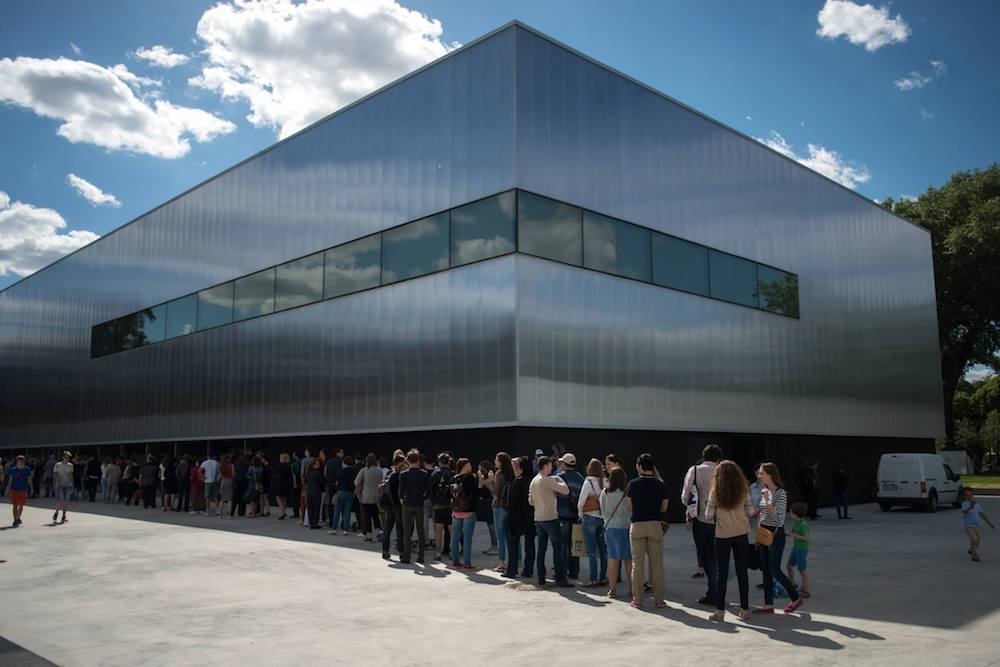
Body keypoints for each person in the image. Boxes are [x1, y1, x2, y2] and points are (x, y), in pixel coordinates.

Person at [705, 460, 756, 622]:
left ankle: (720, 611)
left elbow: (707, 516)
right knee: (742, 572)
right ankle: (745, 609)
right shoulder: (744, 491)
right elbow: (751, 511)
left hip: (722, 535)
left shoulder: (715, 492)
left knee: (722, 573)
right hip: (741, 534)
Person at [755, 462, 804, 614]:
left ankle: (795, 598)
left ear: (770, 474)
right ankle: (768, 604)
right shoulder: (765, 491)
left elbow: (778, 518)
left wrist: (768, 500)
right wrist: (758, 534)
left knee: (774, 569)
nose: (759, 475)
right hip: (764, 533)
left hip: (776, 535)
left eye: (762, 473)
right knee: (765, 570)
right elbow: (762, 514)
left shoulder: (780, 493)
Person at [681, 443, 723, 606]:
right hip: (719, 520)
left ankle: (713, 592)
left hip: (700, 517)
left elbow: (685, 494)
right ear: (718, 458)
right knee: (715, 557)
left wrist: (689, 506)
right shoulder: (722, 471)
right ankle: (716, 591)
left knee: (705, 556)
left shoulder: (695, 470)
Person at [627, 453, 668, 609]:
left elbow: (629, 506)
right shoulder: (661, 485)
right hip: (654, 524)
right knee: (657, 563)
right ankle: (659, 600)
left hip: (637, 524)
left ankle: (638, 600)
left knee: (637, 564)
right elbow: (664, 507)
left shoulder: (633, 484)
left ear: (639, 466)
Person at [529, 455, 572, 588]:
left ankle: (541, 577)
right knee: (557, 548)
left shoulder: (534, 480)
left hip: (538, 518)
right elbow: (566, 490)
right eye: (550, 465)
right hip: (551, 518)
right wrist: (559, 479)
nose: (552, 467)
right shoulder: (548, 480)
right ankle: (560, 577)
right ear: (546, 466)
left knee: (541, 548)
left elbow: (530, 501)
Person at [600, 466, 632, 598]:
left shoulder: (605, 492)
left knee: (613, 560)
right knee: (629, 561)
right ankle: (632, 589)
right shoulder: (627, 493)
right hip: (626, 527)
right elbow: (631, 510)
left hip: (611, 527)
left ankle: (612, 590)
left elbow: (603, 510)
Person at [578, 458, 608, 587]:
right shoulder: (606, 481)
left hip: (589, 517)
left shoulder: (588, 481)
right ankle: (603, 577)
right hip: (603, 518)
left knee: (591, 551)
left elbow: (581, 501)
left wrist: (580, 514)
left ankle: (593, 578)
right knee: (603, 550)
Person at [505, 455, 536, 580]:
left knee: (513, 544)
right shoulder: (533, 481)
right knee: (530, 544)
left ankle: (511, 570)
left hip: (516, 517)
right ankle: (528, 570)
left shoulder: (517, 482)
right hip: (531, 516)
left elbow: (511, 503)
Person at [555, 453, 585, 580]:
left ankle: (563, 570)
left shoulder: (559, 477)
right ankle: (574, 571)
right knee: (575, 546)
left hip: (562, 516)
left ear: (564, 464)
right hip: (576, 517)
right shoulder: (581, 478)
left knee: (563, 545)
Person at [398, 449, 431, 564]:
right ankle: (420, 557)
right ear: (418, 460)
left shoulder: (403, 474)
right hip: (419, 504)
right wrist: (422, 498)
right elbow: (428, 492)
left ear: (407, 461)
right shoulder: (425, 474)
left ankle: (406, 557)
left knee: (407, 532)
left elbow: (400, 491)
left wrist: (403, 500)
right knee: (420, 531)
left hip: (407, 504)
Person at [450, 458, 479, 570]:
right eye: (469, 465)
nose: (471, 467)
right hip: (468, 511)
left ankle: (455, 561)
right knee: (467, 538)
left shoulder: (453, 478)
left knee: (455, 537)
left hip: (456, 511)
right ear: (465, 466)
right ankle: (467, 563)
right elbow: (476, 492)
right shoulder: (470, 478)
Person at [493, 452, 516, 574]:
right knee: (510, 535)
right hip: (508, 507)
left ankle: (502, 563)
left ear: (501, 462)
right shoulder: (512, 473)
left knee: (500, 537)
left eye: (496, 460)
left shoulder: (499, 474)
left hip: (499, 506)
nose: (495, 462)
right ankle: (516, 560)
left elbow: (496, 492)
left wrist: (490, 482)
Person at [429, 453, 454, 560]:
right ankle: (453, 552)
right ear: (448, 462)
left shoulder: (435, 474)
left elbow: (430, 490)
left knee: (438, 530)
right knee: (451, 530)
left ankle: (438, 552)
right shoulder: (452, 474)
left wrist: (434, 502)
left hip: (438, 506)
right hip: (450, 506)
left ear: (439, 462)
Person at [381, 454, 406, 559]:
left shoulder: (389, 475)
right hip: (398, 506)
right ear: (399, 464)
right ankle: (401, 552)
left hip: (389, 506)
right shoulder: (399, 476)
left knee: (387, 529)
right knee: (400, 530)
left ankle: (385, 551)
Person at [355, 453, 384, 542]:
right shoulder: (380, 470)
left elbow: (356, 482)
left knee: (367, 516)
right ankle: (379, 530)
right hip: (377, 496)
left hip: (366, 496)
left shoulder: (364, 470)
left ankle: (369, 535)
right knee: (376, 515)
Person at [785, 502, 811, 598]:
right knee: (789, 566)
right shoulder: (796, 522)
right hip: (795, 549)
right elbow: (793, 531)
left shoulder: (804, 525)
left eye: (791, 512)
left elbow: (805, 538)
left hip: (801, 550)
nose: (790, 514)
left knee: (802, 570)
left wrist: (793, 535)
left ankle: (806, 590)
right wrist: (788, 533)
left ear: (796, 514)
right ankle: (792, 583)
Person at [962, 488, 995, 562]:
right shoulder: (964, 504)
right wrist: (970, 507)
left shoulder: (977, 505)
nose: (968, 496)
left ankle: (971, 549)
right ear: (964, 496)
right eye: (966, 495)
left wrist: (990, 524)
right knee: (974, 539)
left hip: (976, 526)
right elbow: (964, 512)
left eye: (970, 495)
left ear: (972, 495)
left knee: (978, 540)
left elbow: (983, 515)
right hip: (968, 526)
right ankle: (974, 555)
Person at [330, 455, 356, 535]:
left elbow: (336, 482)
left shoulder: (340, 471)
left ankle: (334, 529)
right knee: (347, 512)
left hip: (340, 492)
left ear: (344, 463)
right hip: (350, 493)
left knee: (337, 511)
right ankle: (345, 529)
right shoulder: (353, 472)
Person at [477, 461, 498, 556]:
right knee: (490, 524)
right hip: (486, 502)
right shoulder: (484, 479)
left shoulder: (490, 479)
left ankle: (495, 545)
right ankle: (493, 544)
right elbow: (480, 491)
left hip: (491, 502)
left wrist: (487, 482)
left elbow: (494, 491)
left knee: (492, 525)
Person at [7, 455, 33, 526]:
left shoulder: (27, 469)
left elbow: (29, 479)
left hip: (23, 490)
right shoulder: (13, 469)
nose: (20, 462)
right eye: (19, 461)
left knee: (21, 505)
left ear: (24, 462)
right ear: (17, 461)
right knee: (15, 505)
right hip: (14, 489)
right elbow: (10, 480)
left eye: (22, 461)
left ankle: (18, 517)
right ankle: (15, 519)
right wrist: (8, 490)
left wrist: (31, 488)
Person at [51, 451, 75, 524]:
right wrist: (54, 484)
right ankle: (57, 512)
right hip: (59, 484)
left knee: (66, 501)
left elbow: (71, 475)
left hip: (67, 484)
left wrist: (72, 484)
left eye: (68, 457)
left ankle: (64, 515)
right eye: (66, 457)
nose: (67, 458)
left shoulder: (70, 465)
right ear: (63, 457)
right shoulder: (58, 465)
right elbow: (55, 475)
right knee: (61, 500)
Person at [304, 457, 326, 529]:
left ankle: (311, 522)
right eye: (317, 463)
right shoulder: (318, 473)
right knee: (316, 507)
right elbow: (323, 482)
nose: (318, 464)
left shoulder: (308, 473)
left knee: (310, 507)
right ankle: (314, 523)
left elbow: (305, 482)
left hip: (309, 491)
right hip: (316, 491)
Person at [272, 453, 293, 519]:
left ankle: (283, 512)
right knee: (284, 498)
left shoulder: (279, 466)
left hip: (280, 483)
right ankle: (284, 511)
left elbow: (275, 473)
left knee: (278, 497)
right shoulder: (289, 466)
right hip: (287, 483)